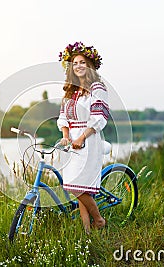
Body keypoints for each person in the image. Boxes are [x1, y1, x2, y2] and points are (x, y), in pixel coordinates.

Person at [57, 41, 109, 233]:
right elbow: (63, 117)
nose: (78, 66)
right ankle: (87, 231)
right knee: (80, 188)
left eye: (82, 62)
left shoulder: (97, 88)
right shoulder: (71, 91)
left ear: (89, 65)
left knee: (75, 186)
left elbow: (98, 117)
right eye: (74, 63)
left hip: (89, 138)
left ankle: (99, 219)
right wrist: (66, 136)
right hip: (73, 143)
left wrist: (82, 137)